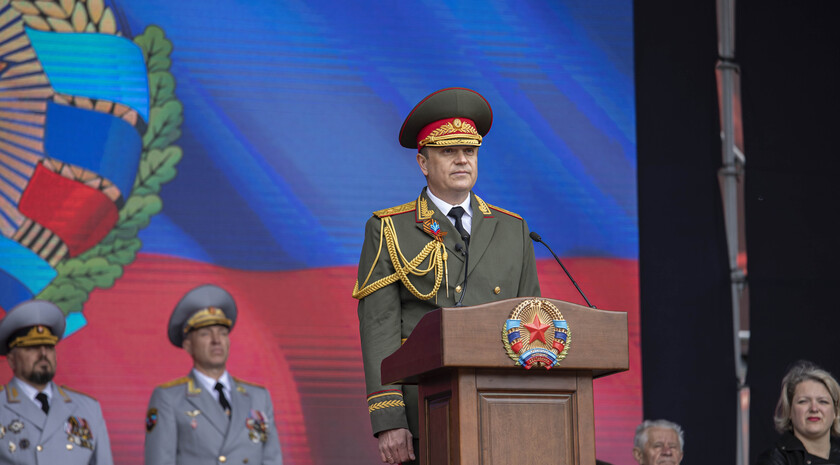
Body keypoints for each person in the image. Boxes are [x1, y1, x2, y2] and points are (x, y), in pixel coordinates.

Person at [352, 87, 541, 464]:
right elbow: (380, 329)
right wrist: (389, 419)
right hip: (424, 409)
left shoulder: (513, 229)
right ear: (423, 163)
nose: (461, 161)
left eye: (469, 152)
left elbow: (530, 322)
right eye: (447, 152)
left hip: (501, 410)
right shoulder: (390, 228)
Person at [144, 284, 283, 465]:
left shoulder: (258, 397)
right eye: (205, 334)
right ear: (188, 345)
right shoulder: (169, 398)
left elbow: (272, 460)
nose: (216, 341)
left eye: (223, 333)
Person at [0, 300, 113, 464]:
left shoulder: (88, 408)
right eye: (32, 347)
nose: (43, 354)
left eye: (49, 346)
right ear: (11, 360)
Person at [756, 360, 840, 465]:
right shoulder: (773, 460)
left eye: (823, 401)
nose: (814, 408)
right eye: (803, 401)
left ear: (835, 412)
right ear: (789, 411)